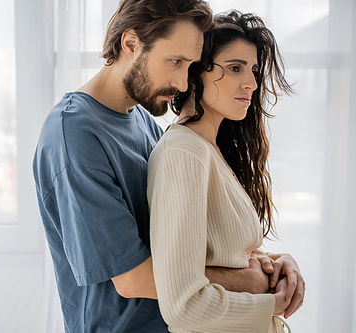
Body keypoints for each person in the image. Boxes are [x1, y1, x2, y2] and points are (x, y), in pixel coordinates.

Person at [33, 0, 303, 331]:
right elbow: (134, 279)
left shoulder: (143, 122)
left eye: (190, 66)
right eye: (175, 61)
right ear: (130, 44)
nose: (182, 82)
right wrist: (255, 280)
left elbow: (185, 243)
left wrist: (272, 263)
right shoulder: (74, 134)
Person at [147, 10, 303, 333]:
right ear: (196, 72)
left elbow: (222, 253)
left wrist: (276, 263)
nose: (252, 83)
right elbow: (182, 305)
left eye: (254, 70)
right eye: (235, 68)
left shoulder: (209, 150)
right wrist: (272, 303)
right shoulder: (184, 153)